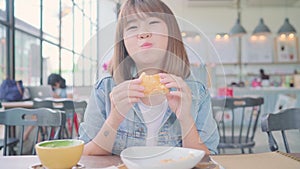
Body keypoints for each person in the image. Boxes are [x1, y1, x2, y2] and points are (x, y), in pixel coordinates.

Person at [79, 0, 219, 155]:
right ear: (123, 41)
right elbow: (86, 155)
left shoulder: (197, 92)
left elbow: (208, 158)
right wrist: (114, 119)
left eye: (153, 22)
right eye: (132, 27)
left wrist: (186, 119)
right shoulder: (104, 89)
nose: (143, 33)